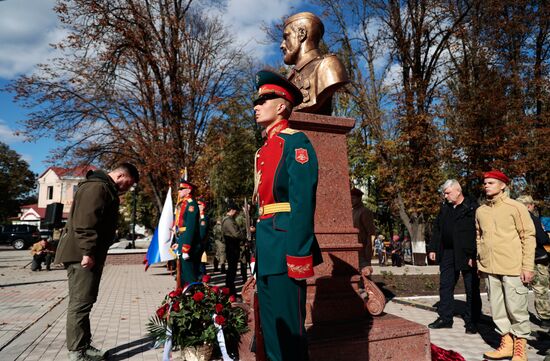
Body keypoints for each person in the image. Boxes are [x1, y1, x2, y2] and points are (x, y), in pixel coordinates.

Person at [253, 69, 322, 361]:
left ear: (281, 105)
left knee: (290, 332)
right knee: (270, 329)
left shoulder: (295, 142)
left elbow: (302, 202)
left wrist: (298, 253)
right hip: (267, 245)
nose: (256, 106)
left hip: (285, 246)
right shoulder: (263, 149)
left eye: (263, 100)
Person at [54, 163, 139, 361]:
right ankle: (76, 352)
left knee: (85, 301)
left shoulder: (101, 186)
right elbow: (85, 223)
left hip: (86, 253)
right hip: (82, 255)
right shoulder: (98, 187)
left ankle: (83, 346)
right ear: (121, 175)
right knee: (80, 302)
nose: (128, 188)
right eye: (129, 183)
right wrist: (87, 252)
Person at [476, 170, 536, 361]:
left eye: (491, 183)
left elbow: (528, 236)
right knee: (497, 309)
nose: (486, 185)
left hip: (513, 267)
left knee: (516, 309)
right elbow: (479, 238)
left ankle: (520, 349)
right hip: (490, 269)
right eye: (485, 183)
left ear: (503, 185)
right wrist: (481, 262)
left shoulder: (516, 207)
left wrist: (527, 266)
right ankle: (506, 345)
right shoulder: (481, 211)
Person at [427, 179, 481, 334]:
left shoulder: (472, 208)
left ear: (458, 190)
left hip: (467, 253)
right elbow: (438, 229)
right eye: (444, 193)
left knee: (471, 288)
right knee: (445, 285)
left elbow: (478, 233)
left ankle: (472, 321)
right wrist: (433, 248)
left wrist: (475, 255)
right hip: (448, 252)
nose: (445, 196)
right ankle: (445, 318)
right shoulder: (445, 208)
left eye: (447, 193)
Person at [281, 12, 349, 115]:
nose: (282, 45)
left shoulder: (328, 66)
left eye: (286, 37)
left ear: (301, 34)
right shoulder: (290, 79)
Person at [516, 195, 550, 328]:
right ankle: (546, 319)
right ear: (530, 206)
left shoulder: (512, 218)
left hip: (518, 259)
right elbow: (542, 239)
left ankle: (520, 316)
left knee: (520, 289)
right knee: (541, 289)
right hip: (537, 258)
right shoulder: (532, 219)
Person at [171, 179, 201, 285]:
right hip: (183, 240)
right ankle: (185, 297)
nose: (179, 191)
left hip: (188, 243)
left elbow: (191, 228)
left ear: (188, 190)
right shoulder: (184, 204)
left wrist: (185, 247)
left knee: (189, 275)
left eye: (181, 189)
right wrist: (179, 244)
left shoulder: (191, 205)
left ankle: (194, 298)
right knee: (183, 273)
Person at [351, 188, 376, 274]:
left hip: (363, 249)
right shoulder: (352, 212)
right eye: (350, 198)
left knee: (365, 274)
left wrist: (369, 251)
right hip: (353, 247)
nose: (351, 200)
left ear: (359, 198)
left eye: (353, 198)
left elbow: (371, 233)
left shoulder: (365, 211)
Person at [221, 202, 243, 296]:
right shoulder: (228, 221)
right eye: (236, 211)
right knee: (231, 271)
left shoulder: (229, 220)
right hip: (232, 247)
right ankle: (230, 291)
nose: (236, 213)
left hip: (232, 247)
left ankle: (230, 290)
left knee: (232, 270)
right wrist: (245, 234)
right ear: (232, 210)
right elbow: (236, 234)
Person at [197, 199, 209, 277]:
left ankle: (202, 279)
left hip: (201, 243)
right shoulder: (198, 216)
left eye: (199, 205)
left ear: (202, 206)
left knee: (201, 263)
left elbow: (203, 231)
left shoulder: (203, 217)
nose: (197, 207)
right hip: (198, 242)